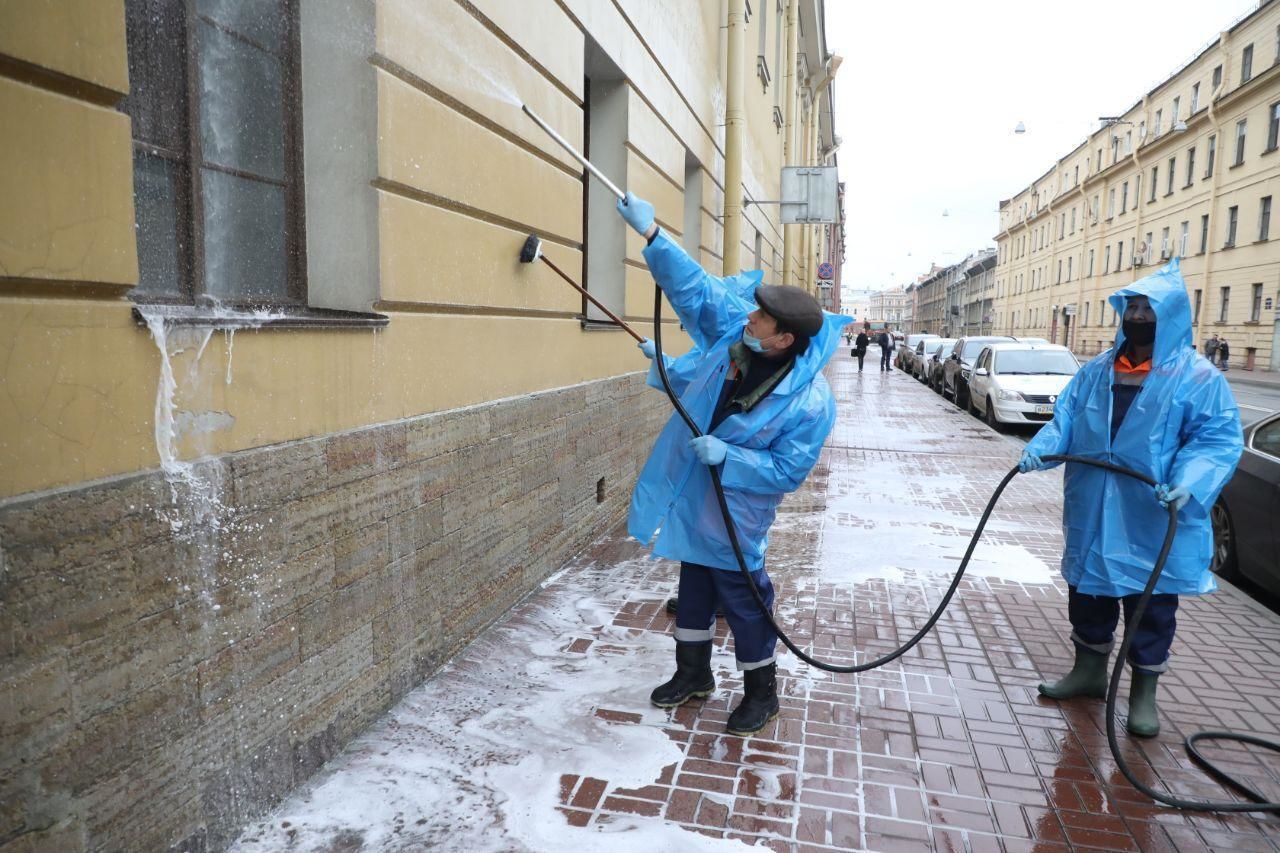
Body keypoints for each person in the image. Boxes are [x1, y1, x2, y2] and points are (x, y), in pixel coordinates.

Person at [617, 191, 850, 737]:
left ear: (784, 338)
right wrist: (653, 239)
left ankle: (761, 693)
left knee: (745, 604)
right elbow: (697, 293)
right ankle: (692, 675)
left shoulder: (810, 402)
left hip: (736, 511)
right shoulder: (736, 342)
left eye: (762, 316)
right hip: (698, 498)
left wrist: (733, 456)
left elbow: (786, 472)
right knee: (694, 591)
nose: (749, 315)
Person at [1019, 259, 1242, 738]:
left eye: (1149, 308)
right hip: (1094, 502)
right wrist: (1041, 448)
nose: (1138, 316)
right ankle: (1089, 673)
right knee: (1090, 590)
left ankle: (1143, 695)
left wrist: (1191, 481)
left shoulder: (1199, 378)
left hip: (1153, 511)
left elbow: (1214, 440)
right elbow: (1066, 419)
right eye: (1132, 306)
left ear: (1173, 315)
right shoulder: (1098, 370)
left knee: (1151, 605)